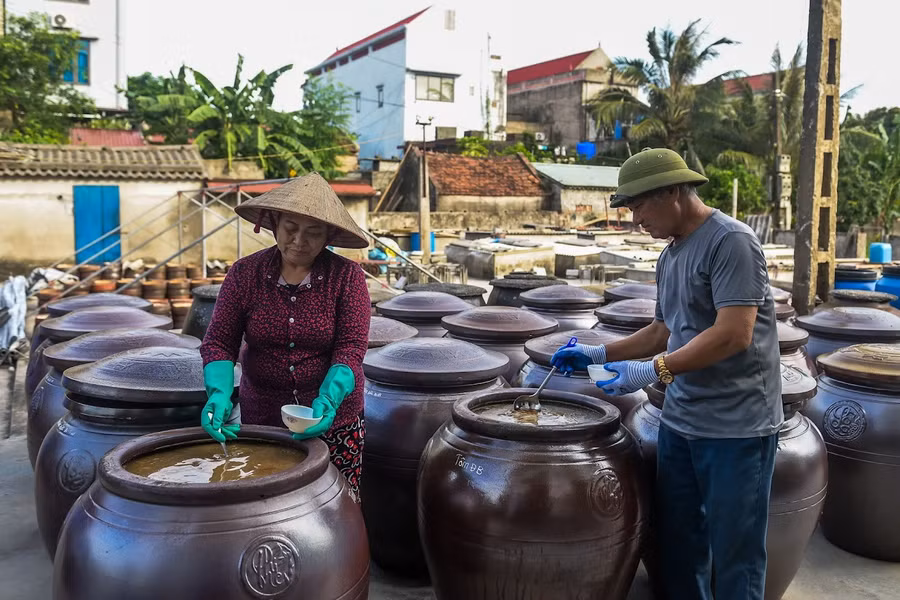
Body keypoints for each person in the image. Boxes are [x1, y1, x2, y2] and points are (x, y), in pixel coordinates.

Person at [552, 148, 782, 600]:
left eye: (638, 205)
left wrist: (654, 370)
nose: (635, 219)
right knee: (680, 544)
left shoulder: (730, 242)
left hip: (737, 426)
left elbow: (734, 333)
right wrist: (598, 353)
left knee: (736, 551)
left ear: (674, 191)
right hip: (681, 420)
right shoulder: (671, 254)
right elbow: (662, 330)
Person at [199, 172, 371, 501]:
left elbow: (350, 349)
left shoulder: (347, 277)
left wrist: (329, 400)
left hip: (335, 422)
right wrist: (218, 393)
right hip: (263, 419)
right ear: (273, 223)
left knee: (335, 509)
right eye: (290, 228)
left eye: (313, 233)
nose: (299, 241)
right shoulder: (244, 274)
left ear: (328, 237)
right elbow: (220, 343)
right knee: (268, 506)